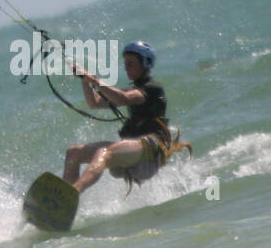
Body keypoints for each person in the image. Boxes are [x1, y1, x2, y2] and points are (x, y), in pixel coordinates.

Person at [63, 41, 191, 194]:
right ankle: (63, 201)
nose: (126, 67)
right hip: (133, 152)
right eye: (125, 63)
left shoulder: (153, 88)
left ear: (146, 63)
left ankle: (73, 192)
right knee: (73, 153)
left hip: (150, 152)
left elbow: (124, 98)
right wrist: (85, 80)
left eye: (131, 63)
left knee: (104, 152)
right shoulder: (133, 90)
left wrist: (93, 79)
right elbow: (94, 103)